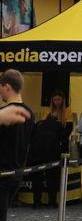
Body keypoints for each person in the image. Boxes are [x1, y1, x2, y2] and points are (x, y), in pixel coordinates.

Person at [0, 69, 34, 221]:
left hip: (3, 173)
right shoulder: (29, 112)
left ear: (6, 87)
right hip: (17, 172)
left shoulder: (4, 113)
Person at [27, 114, 67, 208]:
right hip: (51, 154)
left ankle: (36, 202)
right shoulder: (58, 125)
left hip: (35, 153)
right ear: (57, 120)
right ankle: (52, 202)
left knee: (36, 179)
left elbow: (30, 137)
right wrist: (65, 154)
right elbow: (65, 141)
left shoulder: (38, 124)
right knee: (52, 178)